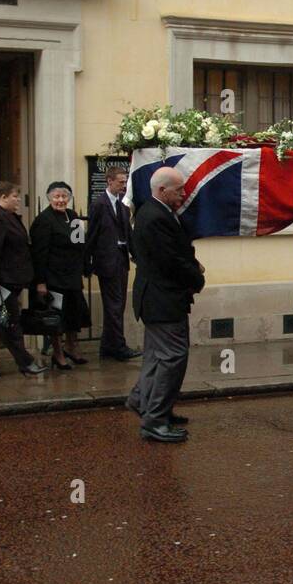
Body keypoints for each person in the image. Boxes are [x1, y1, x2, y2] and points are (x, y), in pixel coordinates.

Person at [127, 167, 205, 443]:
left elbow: (175, 252)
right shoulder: (154, 217)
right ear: (162, 190)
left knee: (156, 357)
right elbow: (169, 261)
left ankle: (144, 402)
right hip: (162, 299)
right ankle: (155, 419)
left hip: (159, 298)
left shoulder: (155, 213)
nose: (184, 194)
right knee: (172, 358)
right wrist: (196, 276)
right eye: (179, 189)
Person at [0, 181, 47, 378]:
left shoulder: (7, 216)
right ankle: (25, 362)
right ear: (3, 198)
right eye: (15, 196)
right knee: (11, 322)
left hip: (8, 279)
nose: (19, 199)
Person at [30, 181, 91, 370]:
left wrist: (84, 268)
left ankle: (71, 347)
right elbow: (39, 254)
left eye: (64, 196)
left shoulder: (72, 216)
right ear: (49, 198)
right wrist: (40, 282)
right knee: (56, 318)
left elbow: (80, 244)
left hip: (72, 277)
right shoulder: (43, 220)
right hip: (53, 278)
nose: (61, 200)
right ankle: (57, 354)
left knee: (74, 313)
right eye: (57, 196)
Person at [86, 165, 141, 362]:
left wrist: (136, 255)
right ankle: (118, 346)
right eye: (120, 182)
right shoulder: (99, 205)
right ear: (109, 181)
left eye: (125, 182)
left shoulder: (123, 206)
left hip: (121, 258)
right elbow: (91, 235)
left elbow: (129, 234)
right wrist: (88, 262)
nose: (123, 186)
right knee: (113, 306)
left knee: (118, 305)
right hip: (106, 261)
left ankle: (107, 347)